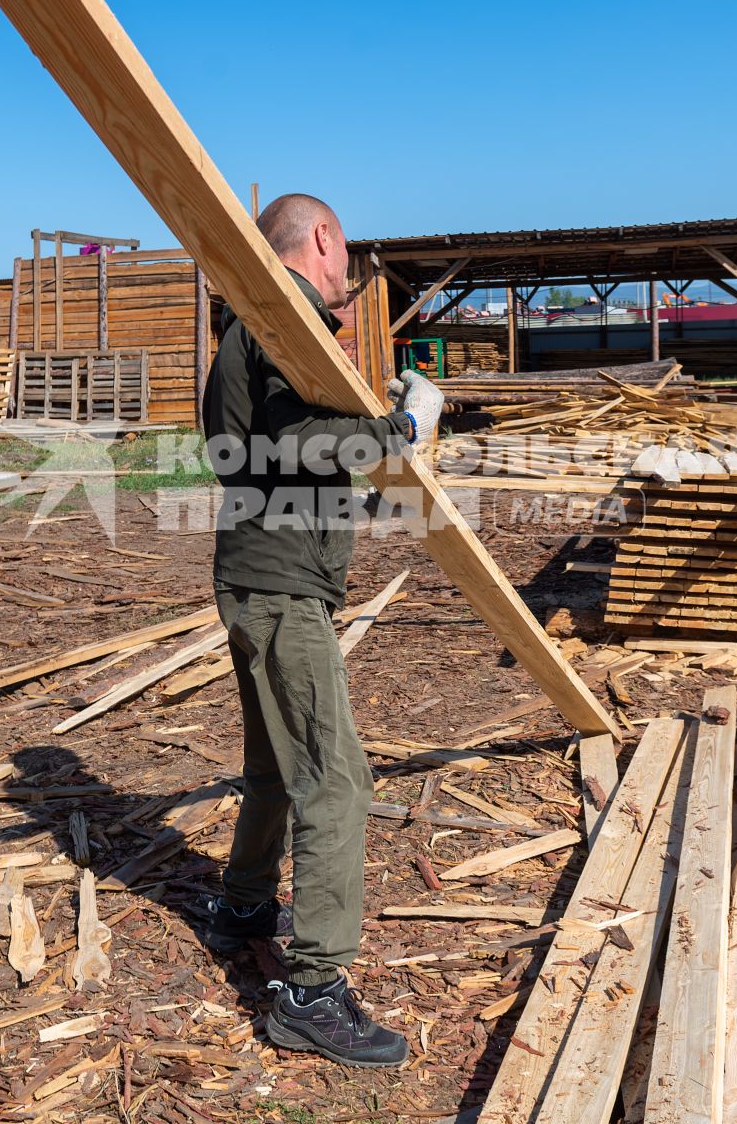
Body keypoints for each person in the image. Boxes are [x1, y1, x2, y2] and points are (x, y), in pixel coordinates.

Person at [198, 192, 444, 1068]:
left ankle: (244, 907)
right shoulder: (286, 320)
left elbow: (259, 448)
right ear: (325, 240)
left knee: (275, 761)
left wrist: (366, 458)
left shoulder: (249, 329)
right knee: (336, 781)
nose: (352, 280)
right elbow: (299, 450)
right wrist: (404, 427)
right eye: (348, 258)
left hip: (258, 577)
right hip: (279, 592)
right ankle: (310, 993)